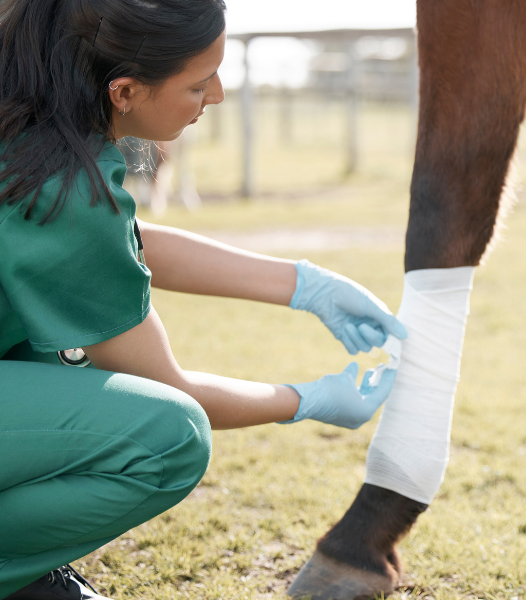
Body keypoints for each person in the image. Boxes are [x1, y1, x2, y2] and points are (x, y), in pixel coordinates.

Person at [0, 1, 406, 598]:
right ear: (125, 91)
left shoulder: (32, 129)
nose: (216, 95)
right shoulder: (63, 179)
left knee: (52, 352)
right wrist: (307, 399)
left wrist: (302, 284)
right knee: (168, 436)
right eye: (198, 83)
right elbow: (176, 391)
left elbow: (117, 244)